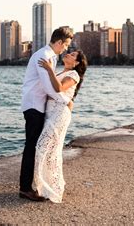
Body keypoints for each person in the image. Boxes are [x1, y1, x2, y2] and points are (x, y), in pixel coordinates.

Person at [19, 27, 74, 201]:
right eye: (65, 45)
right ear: (59, 42)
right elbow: (48, 86)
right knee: (31, 146)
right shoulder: (44, 55)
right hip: (34, 105)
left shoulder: (51, 56)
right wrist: (67, 101)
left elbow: (51, 84)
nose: (65, 49)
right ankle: (25, 188)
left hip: (38, 105)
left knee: (35, 146)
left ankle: (33, 185)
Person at [32, 50, 88, 203]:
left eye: (72, 55)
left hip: (59, 114)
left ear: (76, 63)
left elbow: (59, 89)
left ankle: (52, 188)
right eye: (69, 53)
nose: (68, 54)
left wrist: (49, 68)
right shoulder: (61, 72)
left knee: (45, 147)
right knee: (49, 150)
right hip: (50, 112)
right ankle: (45, 187)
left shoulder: (74, 75)